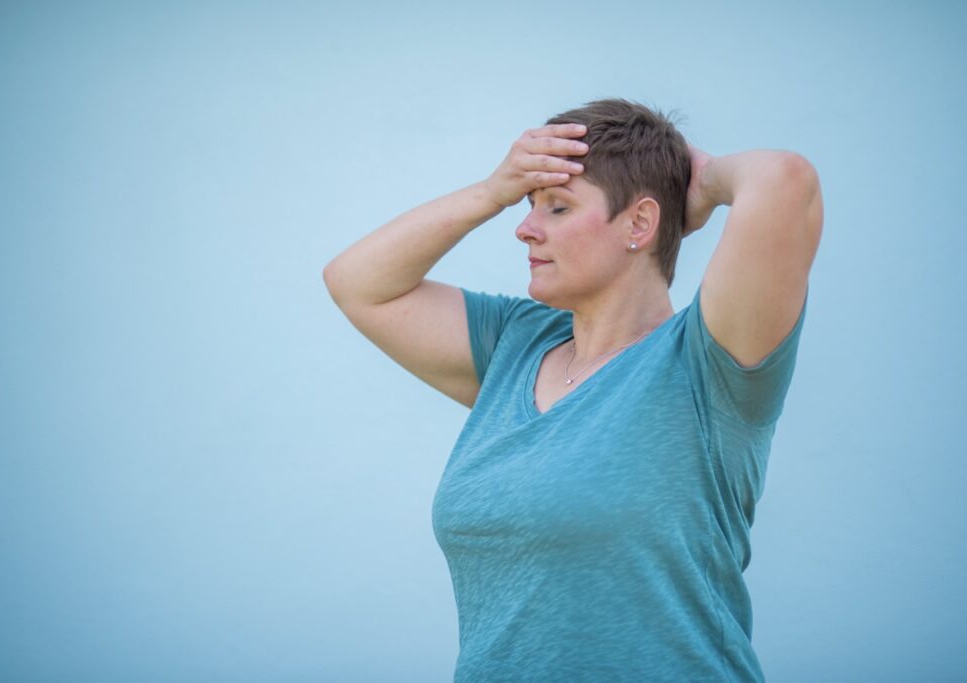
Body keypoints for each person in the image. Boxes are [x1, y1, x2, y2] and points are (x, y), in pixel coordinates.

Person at [323, 98, 823, 682]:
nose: (525, 227)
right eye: (530, 205)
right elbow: (356, 283)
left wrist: (703, 181)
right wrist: (493, 190)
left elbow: (786, 181)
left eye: (557, 207)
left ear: (639, 223)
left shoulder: (705, 365)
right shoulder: (515, 345)